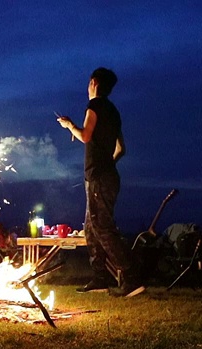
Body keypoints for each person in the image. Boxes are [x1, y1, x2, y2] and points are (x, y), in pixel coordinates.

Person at [57, 67, 145, 297]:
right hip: (106, 176)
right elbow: (121, 149)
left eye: (88, 83)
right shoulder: (114, 111)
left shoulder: (94, 106)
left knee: (102, 227)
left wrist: (69, 125)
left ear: (94, 83)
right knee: (91, 227)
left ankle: (131, 278)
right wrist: (109, 164)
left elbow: (85, 136)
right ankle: (99, 278)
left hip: (98, 177)